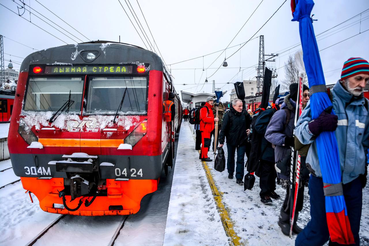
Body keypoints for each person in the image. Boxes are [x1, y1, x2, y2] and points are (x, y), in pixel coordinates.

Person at [295, 57, 369, 246]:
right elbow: (299, 133)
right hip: (323, 180)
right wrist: (317, 125)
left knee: (348, 236)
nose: (363, 84)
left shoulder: (365, 108)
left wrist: (363, 168)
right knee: (320, 232)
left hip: (352, 182)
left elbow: (365, 143)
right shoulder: (323, 99)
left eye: (366, 80)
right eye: (358, 79)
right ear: (345, 77)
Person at [265, 83, 304, 235]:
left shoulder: (303, 112)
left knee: (298, 191)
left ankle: (294, 219)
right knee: (291, 191)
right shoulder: (283, 113)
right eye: (305, 95)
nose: (308, 98)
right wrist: (286, 140)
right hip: (286, 158)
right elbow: (269, 134)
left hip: (300, 157)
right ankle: (284, 219)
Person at [218, 99, 252, 184]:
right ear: (234, 106)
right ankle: (230, 172)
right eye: (239, 106)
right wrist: (221, 141)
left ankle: (239, 177)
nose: (241, 108)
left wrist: (249, 129)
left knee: (240, 159)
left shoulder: (244, 113)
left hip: (242, 140)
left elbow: (251, 122)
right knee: (231, 157)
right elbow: (223, 129)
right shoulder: (228, 115)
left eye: (242, 106)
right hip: (231, 140)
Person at [200, 97, 218, 161]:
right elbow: (204, 118)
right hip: (205, 129)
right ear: (207, 101)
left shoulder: (209, 109)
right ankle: (204, 156)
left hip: (208, 129)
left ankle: (202, 155)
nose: (212, 102)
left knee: (205, 143)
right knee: (206, 143)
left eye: (212, 101)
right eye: (210, 101)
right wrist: (213, 119)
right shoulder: (205, 109)